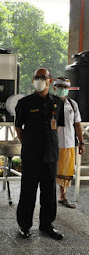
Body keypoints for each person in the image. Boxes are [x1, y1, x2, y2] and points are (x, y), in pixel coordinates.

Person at [15, 68, 65, 240]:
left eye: (42, 77)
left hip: (50, 155)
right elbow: (18, 128)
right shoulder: (25, 102)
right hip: (31, 155)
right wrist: (28, 144)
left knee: (48, 191)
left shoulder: (58, 102)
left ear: (50, 81)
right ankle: (24, 225)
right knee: (28, 191)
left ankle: (46, 225)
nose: (39, 80)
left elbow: (57, 126)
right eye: (36, 77)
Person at [53, 77, 85, 209]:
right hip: (54, 143)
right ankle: (47, 197)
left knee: (66, 171)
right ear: (54, 88)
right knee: (51, 170)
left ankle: (62, 196)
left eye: (65, 87)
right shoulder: (50, 103)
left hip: (69, 143)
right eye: (60, 86)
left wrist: (81, 142)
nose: (63, 89)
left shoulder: (72, 104)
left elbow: (77, 124)